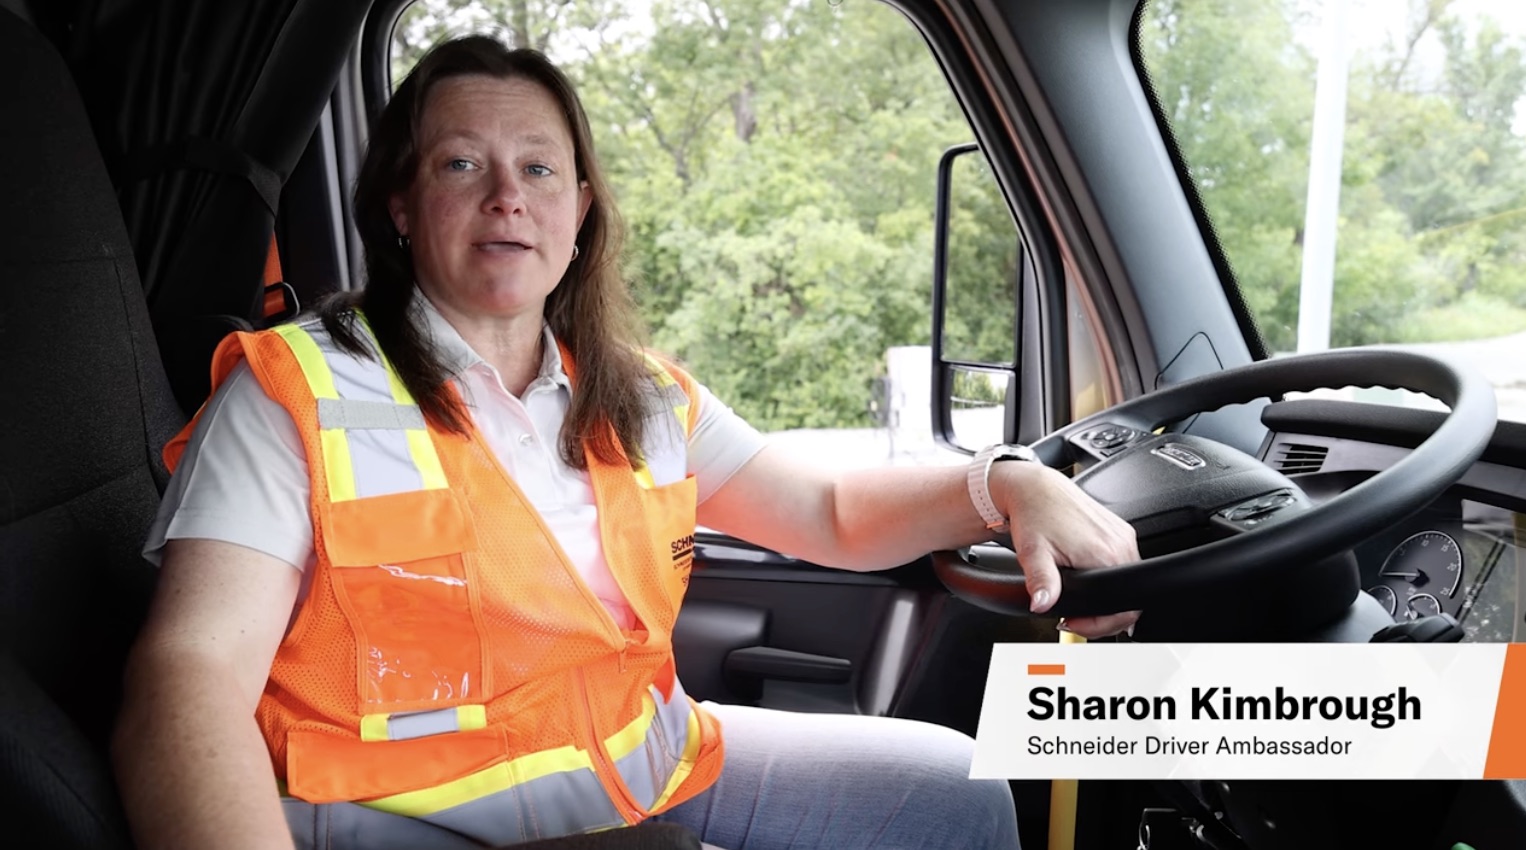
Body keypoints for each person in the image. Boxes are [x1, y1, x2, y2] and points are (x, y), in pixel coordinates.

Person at [113, 35, 1140, 850]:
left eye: (539, 169)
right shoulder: (298, 391)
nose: (506, 194)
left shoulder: (639, 393)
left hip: (640, 771)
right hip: (406, 822)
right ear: (400, 205)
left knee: (960, 792)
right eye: (462, 163)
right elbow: (188, 685)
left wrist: (1004, 482)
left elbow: (829, 514)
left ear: (581, 208)